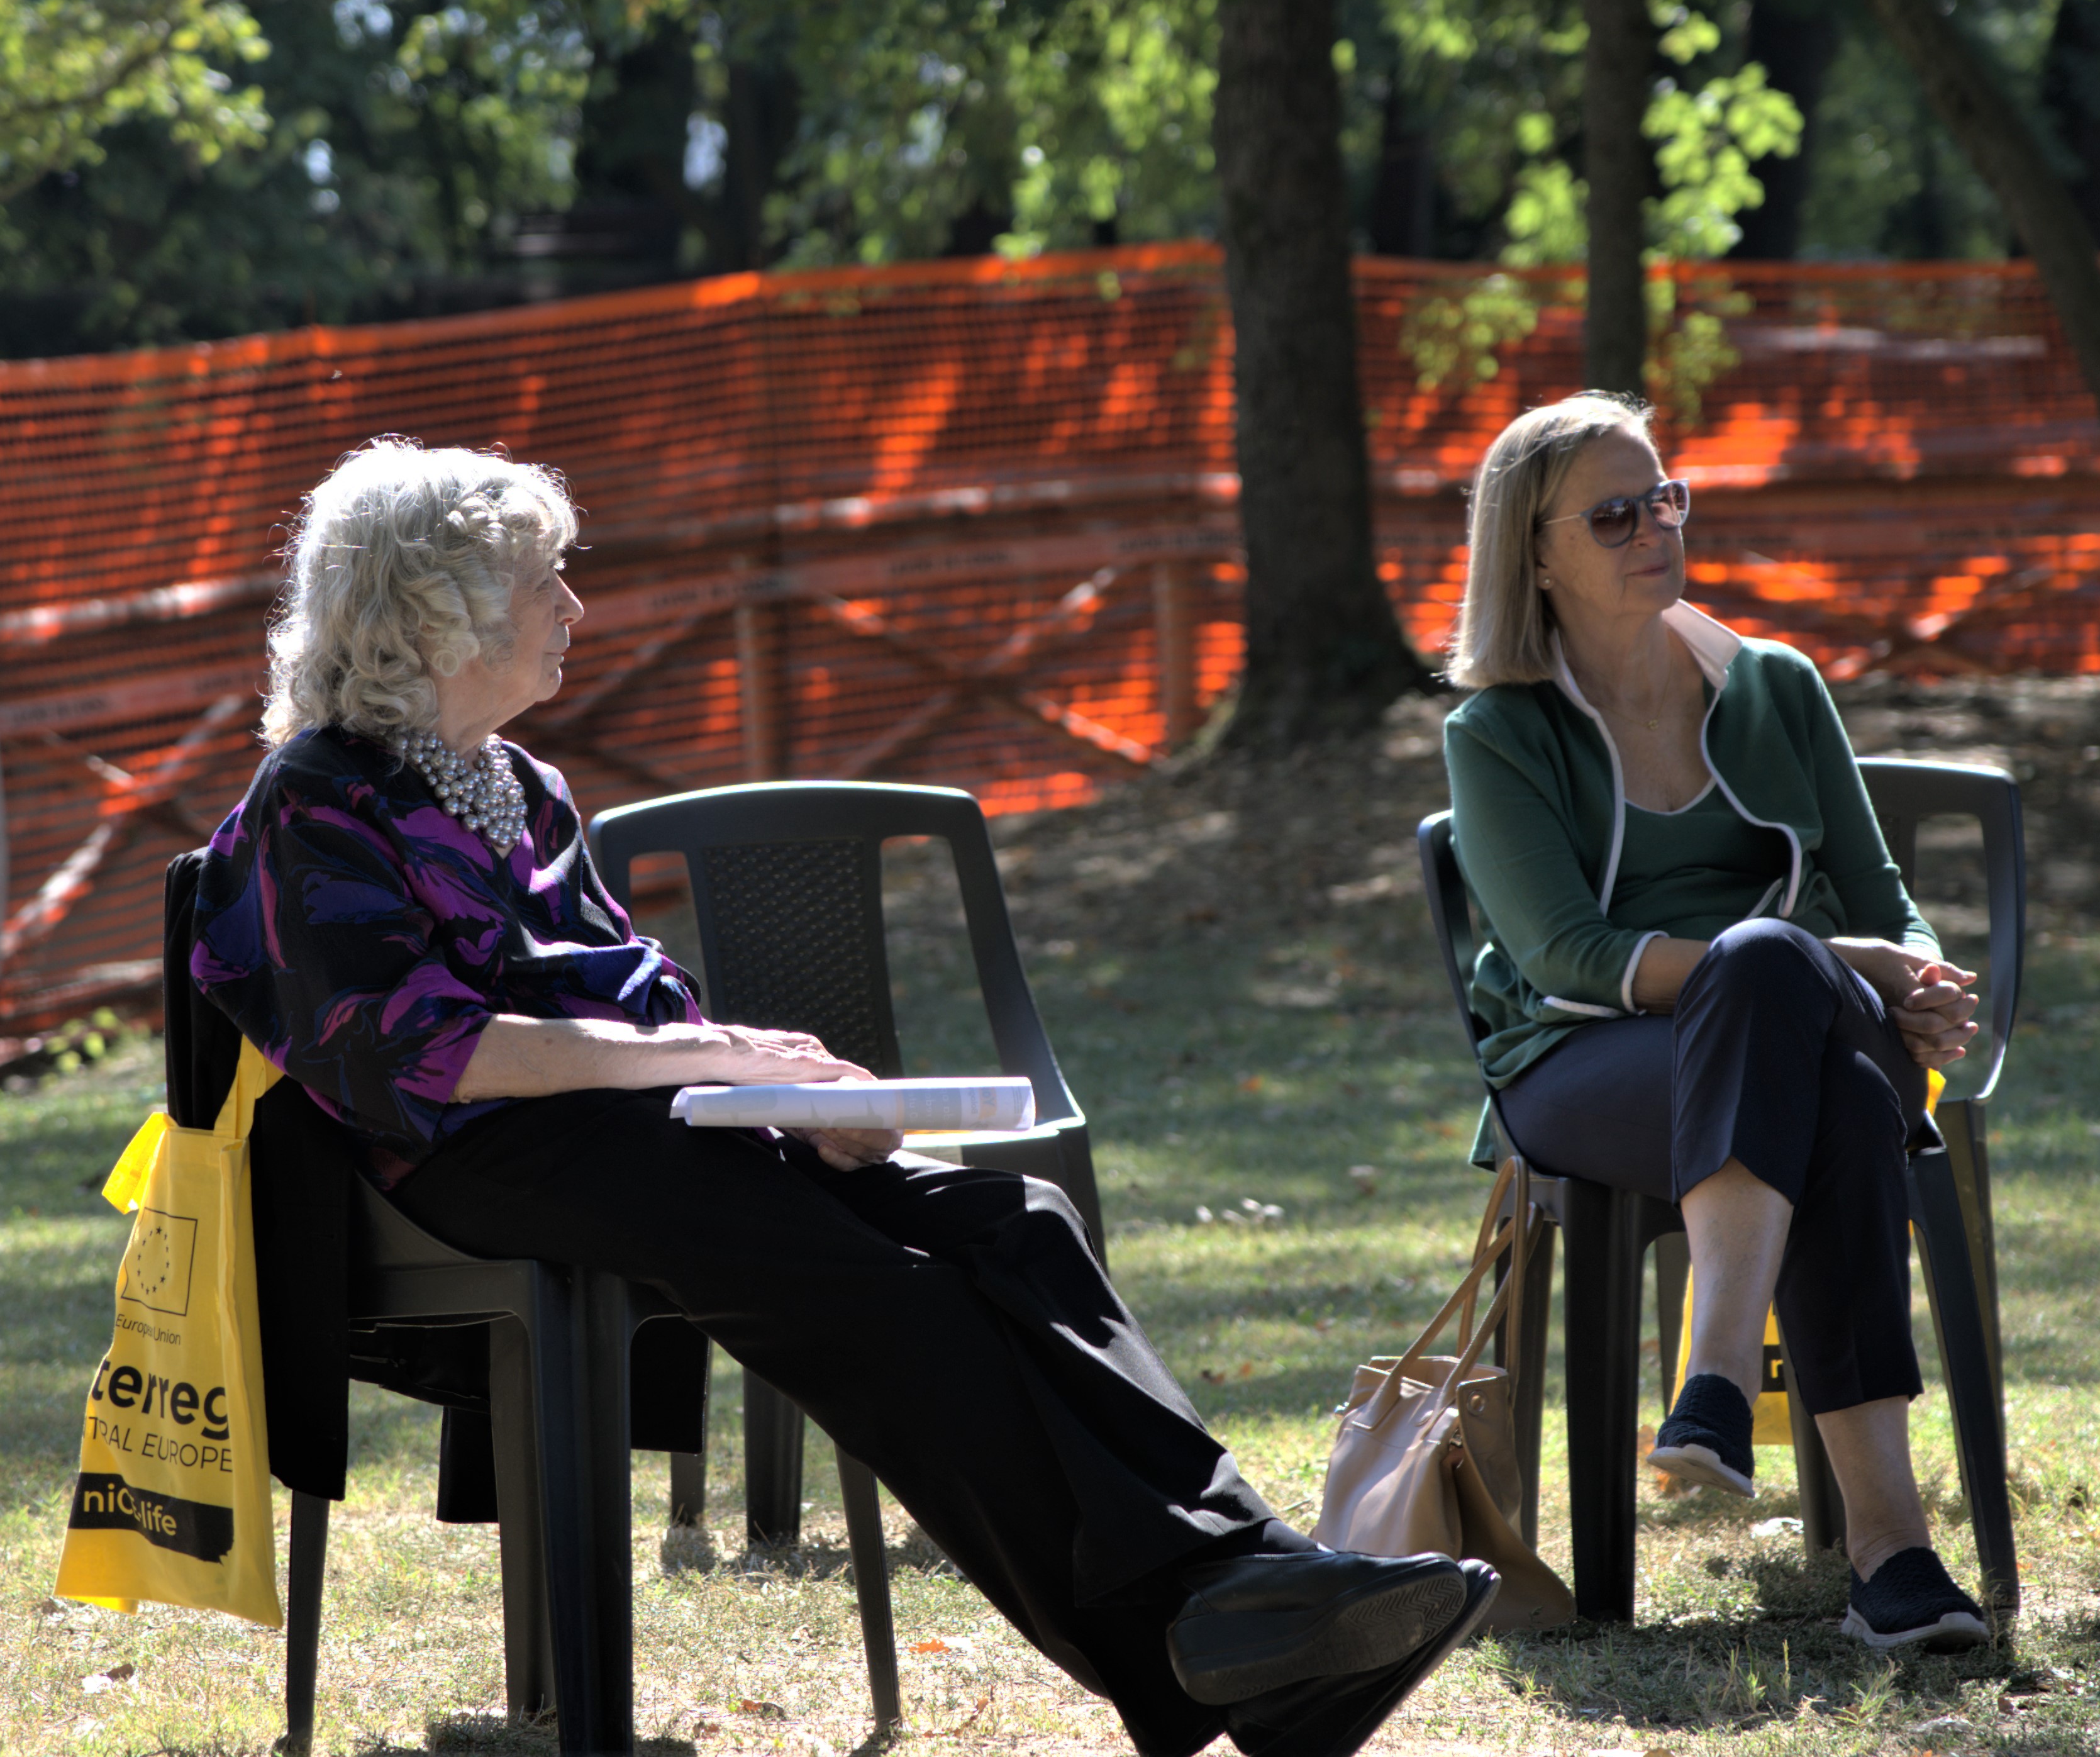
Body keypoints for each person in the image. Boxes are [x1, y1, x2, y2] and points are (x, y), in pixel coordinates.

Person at [189, 438, 1499, 1757]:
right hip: (454, 1163)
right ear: (436, 607)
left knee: (1015, 1220)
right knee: (885, 1291)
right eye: (545, 580)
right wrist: (716, 1071)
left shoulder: (521, 790)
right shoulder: (317, 798)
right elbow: (417, 1054)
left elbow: (642, 1003)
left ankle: (1249, 1579)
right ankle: (1199, 1637)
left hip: (620, 1132)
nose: (575, 609)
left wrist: (793, 1092)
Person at [1438, 392, 1994, 1652]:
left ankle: (1714, 1390)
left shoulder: (1777, 688)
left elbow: (1886, 902)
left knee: (1781, 986)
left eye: (1665, 497)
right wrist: (1811, 957)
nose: (1654, 528)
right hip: (1580, 1058)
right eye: (1615, 513)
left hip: (1791, 1027)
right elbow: (1564, 954)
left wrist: (1914, 977)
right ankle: (1892, 1561)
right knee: (1823, 1072)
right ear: (1534, 555)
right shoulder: (1497, 730)